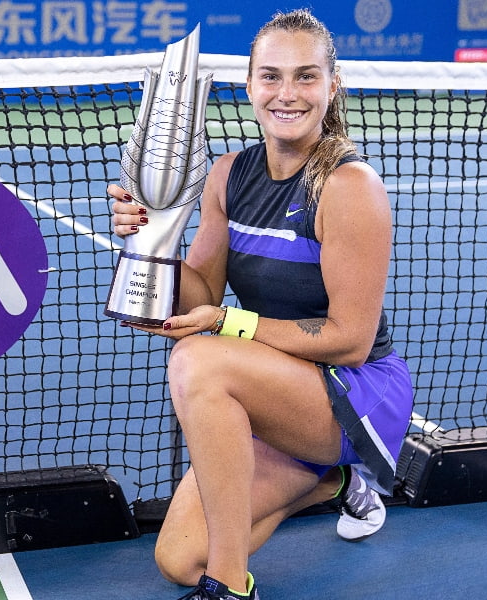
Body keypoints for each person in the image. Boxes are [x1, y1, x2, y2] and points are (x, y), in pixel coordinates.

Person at [107, 9, 413, 600]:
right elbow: (198, 293)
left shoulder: (349, 188)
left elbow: (349, 338)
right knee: (176, 558)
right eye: (271, 76)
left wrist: (229, 324)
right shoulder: (230, 175)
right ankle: (334, 483)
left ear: (331, 85)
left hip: (355, 391)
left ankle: (228, 585)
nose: (287, 94)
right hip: (278, 384)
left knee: (200, 360)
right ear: (249, 85)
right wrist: (155, 236)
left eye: (305, 77)